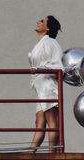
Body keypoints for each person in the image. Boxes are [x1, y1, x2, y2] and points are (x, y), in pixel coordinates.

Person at [28, 15, 62, 153]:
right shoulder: (41, 43)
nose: (37, 21)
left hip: (47, 86)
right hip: (40, 86)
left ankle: (52, 153)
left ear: (47, 28)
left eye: (42, 21)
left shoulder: (50, 43)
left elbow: (58, 67)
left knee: (51, 120)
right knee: (39, 123)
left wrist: (40, 69)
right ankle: (30, 153)